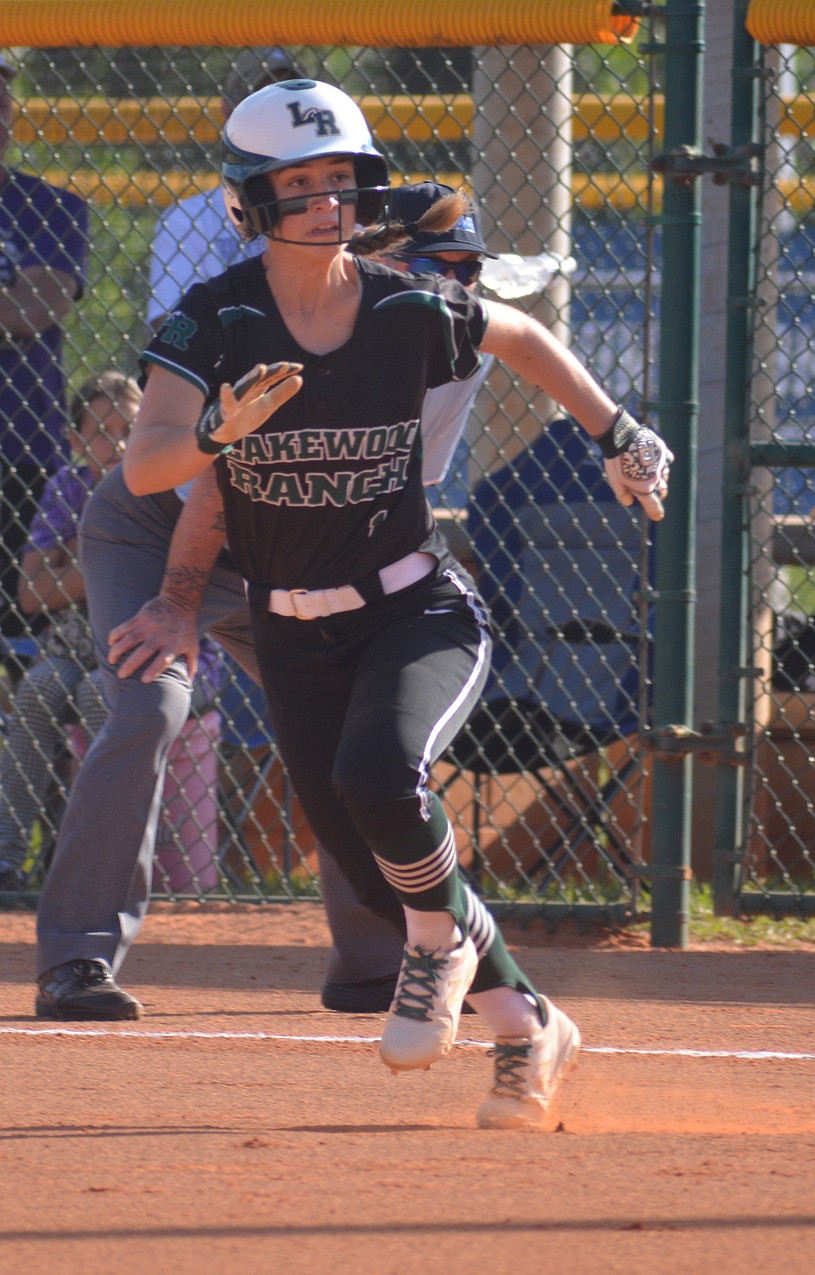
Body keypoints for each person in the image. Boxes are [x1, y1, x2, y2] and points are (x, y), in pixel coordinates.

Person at [122, 79, 672, 1130]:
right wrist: (213, 436)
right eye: (298, 183)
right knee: (380, 872)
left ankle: (442, 953)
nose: (326, 201)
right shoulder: (213, 320)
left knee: (382, 775)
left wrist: (617, 435)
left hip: (415, 607)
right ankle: (530, 1028)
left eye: (342, 179)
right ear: (249, 200)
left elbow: (517, 337)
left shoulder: (401, 303)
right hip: (291, 628)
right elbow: (150, 464)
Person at [32, 56, 406, 1023]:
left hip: (282, 555)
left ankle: (377, 962)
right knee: (150, 704)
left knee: (345, 736)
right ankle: (77, 957)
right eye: (445, 263)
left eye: (346, 187)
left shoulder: (421, 334)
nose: (457, 281)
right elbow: (212, 484)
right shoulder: (258, 319)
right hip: (163, 527)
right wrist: (179, 604)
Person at [0, 372, 139, 890]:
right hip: (73, 643)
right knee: (36, 689)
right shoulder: (68, 486)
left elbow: (159, 580)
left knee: (98, 697)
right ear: (76, 442)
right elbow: (30, 593)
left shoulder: (160, 483)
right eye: (101, 430)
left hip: (139, 646)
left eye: (129, 426)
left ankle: (93, 866)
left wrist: (69, 565)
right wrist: (108, 563)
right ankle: (6, 859)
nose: (118, 441)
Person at [0, 52, 89, 642]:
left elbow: (33, 309)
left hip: (20, 440)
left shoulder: (51, 207)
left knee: (18, 621)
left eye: (3, 97)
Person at [147, 47, 302, 333]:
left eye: (289, 103)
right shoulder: (186, 219)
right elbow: (171, 327)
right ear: (229, 112)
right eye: (260, 103)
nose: (277, 117)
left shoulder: (331, 203)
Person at [381, 180, 496, 509]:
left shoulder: (471, 347)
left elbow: (410, 484)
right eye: (428, 266)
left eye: (467, 270)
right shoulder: (324, 327)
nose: (451, 289)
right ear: (376, 260)